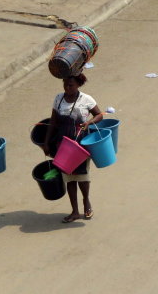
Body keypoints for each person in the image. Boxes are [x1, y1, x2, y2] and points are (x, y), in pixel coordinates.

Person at [43, 73, 102, 223]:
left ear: (78, 85)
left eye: (71, 85)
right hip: (62, 143)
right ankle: (74, 211)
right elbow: (53, 122)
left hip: (80, 143)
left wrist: (88, 123)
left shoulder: (86, 99)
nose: (67, 88)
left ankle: (86, 202)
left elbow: (99, 115)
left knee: (82, 176)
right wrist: (46, 142)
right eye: (65, 85)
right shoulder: (59, 98)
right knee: (69, 178)